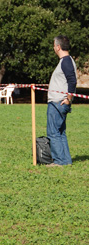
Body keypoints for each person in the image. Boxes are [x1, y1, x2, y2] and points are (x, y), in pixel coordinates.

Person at [46, 35, 77, 166]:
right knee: (60, 132)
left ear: (58, 47)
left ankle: (59, 161)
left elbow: (72, 81)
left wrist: (68, 99)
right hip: (59, 102)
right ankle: (66, 160)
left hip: (58, 103)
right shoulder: (65, 61)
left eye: (54, 45)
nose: (53, 48)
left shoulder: (66, 61)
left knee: (53, 132)